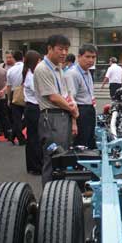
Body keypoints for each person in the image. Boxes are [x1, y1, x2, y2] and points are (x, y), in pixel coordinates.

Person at [34, 34, 79, 185]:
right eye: (60, 49)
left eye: (66, 49)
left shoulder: (59, 68)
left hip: (62, 115)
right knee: (53, 157)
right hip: (51, 117)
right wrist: (72, 111)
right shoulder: (42, 69)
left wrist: (72, 115)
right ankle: (49, 196)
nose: (64, 53)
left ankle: (60, 194)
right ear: (50, 48)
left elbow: (66, 94)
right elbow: (53, 97)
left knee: (63, 156)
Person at [65, 44, 97, 149]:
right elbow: (71, 100)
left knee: (90, 142)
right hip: (80, 111)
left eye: (93, 57)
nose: (91, 60)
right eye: (87, 57)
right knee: (81, 145)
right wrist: (74, 123)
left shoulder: (87, 72)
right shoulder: (73, 73)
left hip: (89, 110)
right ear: (79, 57)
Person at [22, 50, 43, 175]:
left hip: (31, 108)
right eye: (39, 61)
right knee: (35, 138)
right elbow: (40, 92)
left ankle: (32, 165)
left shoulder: (28, 73)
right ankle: (36, 165)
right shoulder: (31, 76)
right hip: (34, 108)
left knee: (32, 138)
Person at [6, 50, 26, 145]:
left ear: (14, 58)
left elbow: (8, 86)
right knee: (27, 117)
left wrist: (9, 99)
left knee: (16, 118)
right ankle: (17, 135)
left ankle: (15, 135)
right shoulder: (27, 68)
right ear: (23, 58)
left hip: (14, 94)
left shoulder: (10, 70)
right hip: (26, 93)